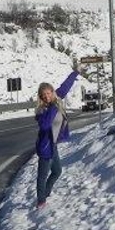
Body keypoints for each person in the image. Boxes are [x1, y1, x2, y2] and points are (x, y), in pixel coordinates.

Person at [33, 66, 79, 207]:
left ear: (52, 92)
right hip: (45, 147)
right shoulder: (42, 110)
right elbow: (45, 125)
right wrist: (53, 106)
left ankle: (45, 193)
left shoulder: (56, 99)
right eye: (43, 95)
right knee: (42, 176)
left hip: (52, 144)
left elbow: (65, 87)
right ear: (41, 97)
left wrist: (75, 72)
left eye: (49, 93)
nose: (47, 96)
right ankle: (41, 201)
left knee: (57, 171)